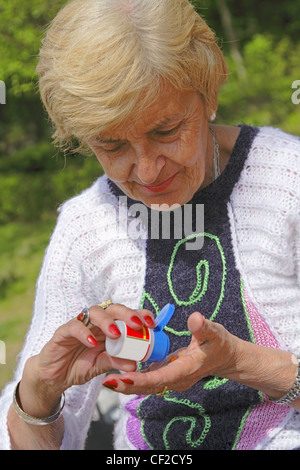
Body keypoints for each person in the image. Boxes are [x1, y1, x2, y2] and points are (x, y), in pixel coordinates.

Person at [1, 0, 300, 451]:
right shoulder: (86, 226)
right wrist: (39, 394)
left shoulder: (287, 181)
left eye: (166, 130)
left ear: (210, 92)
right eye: (112, 144)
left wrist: (247, 363)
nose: (146, 171)